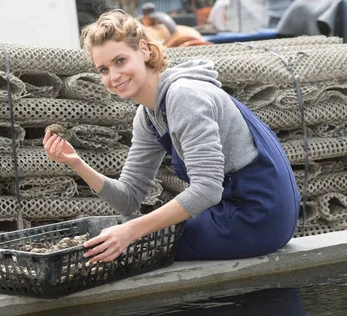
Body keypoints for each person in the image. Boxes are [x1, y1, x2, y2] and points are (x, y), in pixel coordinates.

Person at [43, 9, 300, 263]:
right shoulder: (148, 116)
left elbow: (207, 190)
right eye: (103, 69)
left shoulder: (184, 96)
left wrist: (131, 231)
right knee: (128, 236)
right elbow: (129, 198)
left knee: (139, 246)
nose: (113, 76)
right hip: (233, 208)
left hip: (258, 214)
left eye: (120, 61)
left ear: (143, 50)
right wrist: (76, 163)